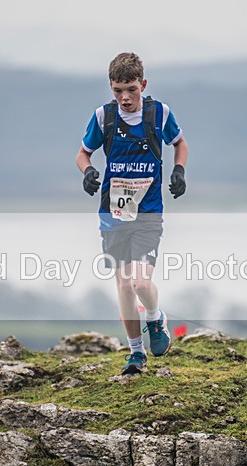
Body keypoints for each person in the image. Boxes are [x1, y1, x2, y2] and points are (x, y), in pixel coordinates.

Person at [75, 52, 189, 374]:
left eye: (131, 90)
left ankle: (156, 318)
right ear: (111, 88)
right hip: (113, 214)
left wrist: (179, 171)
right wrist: (87, 172)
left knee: (141, 283)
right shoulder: (104, 118)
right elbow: (83, 152)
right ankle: (136, 353)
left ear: (143, 84)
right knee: (124, 287)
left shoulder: (159, 114)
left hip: (149, 212)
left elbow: (180, 143)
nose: (124, 98)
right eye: (117, 91)